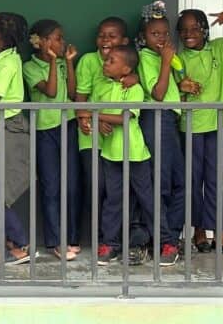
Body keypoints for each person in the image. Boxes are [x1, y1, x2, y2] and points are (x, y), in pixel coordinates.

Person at [86, 45, 178, 266]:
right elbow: (88, 109)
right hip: (111, 153)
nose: (105, 63)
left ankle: (168, 243)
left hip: (135, 155)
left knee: (148, 200)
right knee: (113, 200)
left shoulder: (135, 89)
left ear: (126, 69)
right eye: (106, 60)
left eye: (111, 61)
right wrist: (95, 118)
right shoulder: (105, 87)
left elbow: (126, 117)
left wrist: (97, 115)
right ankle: (110, 244)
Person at [75, 17, 151, 264]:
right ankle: (106, 242)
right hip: (94, 138)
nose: (105, 40)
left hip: (122, 143)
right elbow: (81, 100)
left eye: (112, 36)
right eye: (101, 35)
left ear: (124, 42)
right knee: (102, 191)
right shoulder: (89, 62)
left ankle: (132, 241)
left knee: (129, 193)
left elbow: (127, 110)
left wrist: (135, 78)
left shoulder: (128, 72)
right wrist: (89, 119)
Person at [177, 7, 223, 256]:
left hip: (217, 123)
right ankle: (198, 232)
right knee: (194, 182)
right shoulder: (179, 58)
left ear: (205, 30)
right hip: (192, 126)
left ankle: (220, 234)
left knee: (215, 181)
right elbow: (170, 90)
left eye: (195, 28)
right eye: (184, 30)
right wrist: (181, 85)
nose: (189, 33)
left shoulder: (220, 47)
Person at [0, 12, 34, 265]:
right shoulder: (6, 58)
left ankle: (23, 244)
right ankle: (14, 240)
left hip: (6, 127)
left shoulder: (7, 63)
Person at [24, 19, 81, 261]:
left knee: (72, 184)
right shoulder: (30, 66)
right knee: (51, 186)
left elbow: (70, 92)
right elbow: (49, 91)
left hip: (67, 125)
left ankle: (72, 237)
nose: (62, 42)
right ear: (43, 42)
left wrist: (67, 63)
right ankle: (56, 241)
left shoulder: (61, 64)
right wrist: (55, 62)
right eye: (57, 38)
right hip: (45, 130)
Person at [136, 1, 186, 259]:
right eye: (155, 34)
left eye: (165, 33)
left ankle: (171, 234)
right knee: (162, 183)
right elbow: (157, 93)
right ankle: (161, 240)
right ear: (143, 37)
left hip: (170, 120)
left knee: (181, 183)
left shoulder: (163, 56)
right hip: (156, 118)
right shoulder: (147, 57)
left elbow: (176, 79)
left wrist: (178, 72)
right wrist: (166, 61)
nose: (162, 38)